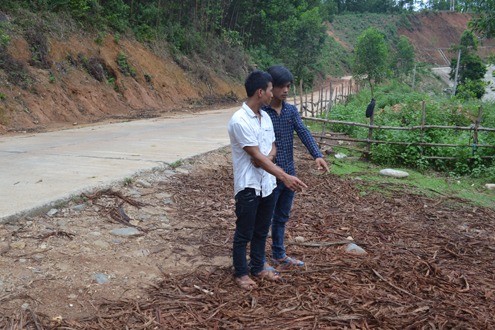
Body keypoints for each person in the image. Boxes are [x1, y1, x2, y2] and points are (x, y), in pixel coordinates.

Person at [227, 70, 307, 290]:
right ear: (260, 92)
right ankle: (241, 273)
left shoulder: (266, 118)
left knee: (262, 229)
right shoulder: (240, 120)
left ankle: (258, 266)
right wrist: (283, 174)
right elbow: (255, 156)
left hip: (267, 184)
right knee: (244, 231)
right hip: (249, 185)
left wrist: (266, 158)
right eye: (271, 89)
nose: (273, 94)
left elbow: (270, 147)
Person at [263, 65, 329, 269]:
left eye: (288, 86)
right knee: (264, 218)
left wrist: (317, 155)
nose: (285, 90)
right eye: (281, 86)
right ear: (270, 87)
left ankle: (279, 255)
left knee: (282, 216)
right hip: (268, 174)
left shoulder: (290, 111)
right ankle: (258, 259)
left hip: (289, 173)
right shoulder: (262, 112)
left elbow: (303, 131)